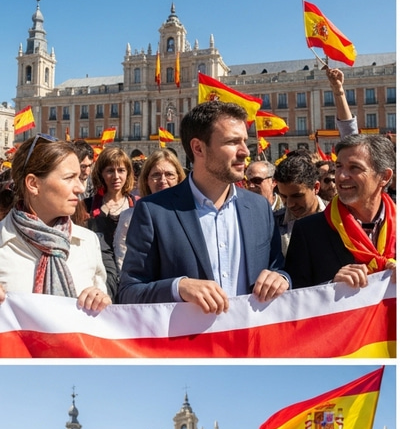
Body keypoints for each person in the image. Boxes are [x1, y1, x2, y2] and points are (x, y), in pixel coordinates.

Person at [118, 101, 289, 312]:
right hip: (189, 342)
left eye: (244, 141)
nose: (245, 151)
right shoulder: (153, 211)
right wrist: (178, 287)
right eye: (232, 142)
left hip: (249, 340)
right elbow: (129, 292)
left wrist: (281, 278)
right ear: (198, 148)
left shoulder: (259, 207)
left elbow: (277, 268)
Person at [0, 135, 110, 312]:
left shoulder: (88, 242)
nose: (80, 188)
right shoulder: (3, 241)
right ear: (33, 184)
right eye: (69, 178)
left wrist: (101, 302)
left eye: (79, 177)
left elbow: (101, 322)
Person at [284, 134, 396, 289]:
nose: (341, 176)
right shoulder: (307, 231)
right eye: (338, 166)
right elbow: (295, 298)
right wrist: (331, 287)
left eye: (354, 167)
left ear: (384, 176)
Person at [115, 149, 186, 268]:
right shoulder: (130, 217)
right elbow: (123, 259)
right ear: (147, 180)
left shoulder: (190, 214)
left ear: (179, 178)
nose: (163, 180)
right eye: (156, 175)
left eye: (169, 174)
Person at [85, 145, 137, 299]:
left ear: (128, 174)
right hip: (100, 284)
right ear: (101, 174)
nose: (116, 176)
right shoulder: (86, 207)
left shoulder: (138, 206)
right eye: (110, 171)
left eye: (121, 170)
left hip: (131, 280)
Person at [272, 152, 326, 256]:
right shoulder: (272, 224)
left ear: (316, 188)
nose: (290, 204)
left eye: (297, 196)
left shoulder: (338, 219)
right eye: (284, 196)